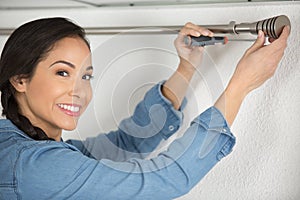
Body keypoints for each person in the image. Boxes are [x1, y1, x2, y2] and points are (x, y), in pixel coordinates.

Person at [0, 18, 289, 199]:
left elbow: (126, 143)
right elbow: (161, 180)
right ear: (19, 79)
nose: (79, 92)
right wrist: (240, 85)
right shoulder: (32, 165)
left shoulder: (30, 145)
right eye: (62, 73)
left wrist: (187, 66)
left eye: (86, 76)